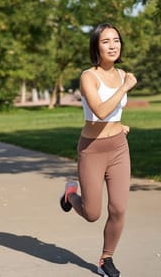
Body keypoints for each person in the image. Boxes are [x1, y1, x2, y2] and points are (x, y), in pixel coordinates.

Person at [60, 23, 137, 277]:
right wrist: (124, 88)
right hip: (92, 150)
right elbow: (100, 111)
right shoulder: (88, 77)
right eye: (106, 41)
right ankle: (70, 195)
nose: (113, 45)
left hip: (118, 148)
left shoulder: (122, 73)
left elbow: (113, 113)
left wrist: (119, 125)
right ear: (96, 46)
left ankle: (106, 259)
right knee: (92, 213)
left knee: (118, 209)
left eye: (116, 40)